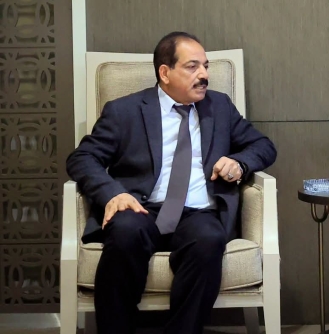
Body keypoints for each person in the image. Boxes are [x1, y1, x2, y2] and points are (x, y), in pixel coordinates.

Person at [66, 32, 276, 334]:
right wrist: (113, 194)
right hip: (141, 208)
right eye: (192, 67)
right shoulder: (124, 111)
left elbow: (264, 146)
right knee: (125, 234)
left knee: (209, 240)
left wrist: (240, 164)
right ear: (165, 73)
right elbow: (82, 158)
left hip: (199, 212)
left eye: (205, 66)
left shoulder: (219, 106)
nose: (204, 75)